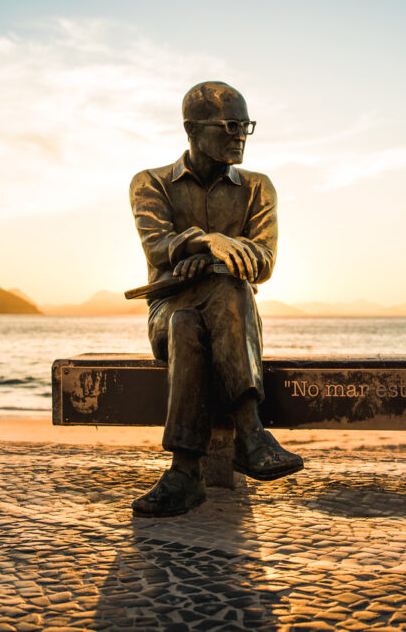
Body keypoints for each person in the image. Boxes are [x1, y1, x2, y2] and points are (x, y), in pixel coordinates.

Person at [128, 81, 304, 517]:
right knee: (185, 315)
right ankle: (251, 433)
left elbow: (261, 263)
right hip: (165, 308)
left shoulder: (258, 188)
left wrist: (202, 259)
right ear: (191, 129)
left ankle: (184, 473)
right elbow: (156, 246)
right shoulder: (150, 183)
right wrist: (210, 242)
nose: (240, 134)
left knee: (206, 307)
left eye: (246, 125)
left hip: (230, 317)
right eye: (229, 124)